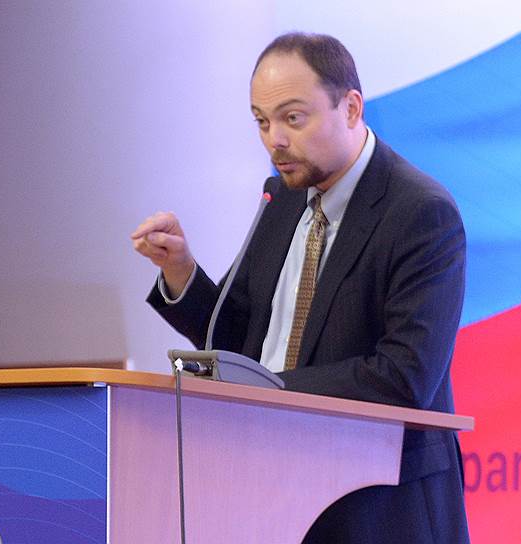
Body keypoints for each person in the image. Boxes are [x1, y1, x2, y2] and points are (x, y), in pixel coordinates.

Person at [131, 32, 469, 544]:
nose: (275, 140)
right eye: (261, 121)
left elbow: (404, 376)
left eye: (293, 118)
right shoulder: (283, 198)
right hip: (269, 489)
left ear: (351, 108)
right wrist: (181, 271)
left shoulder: (420, 212)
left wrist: (268, 392)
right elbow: (238, 339)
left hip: (376, 507)